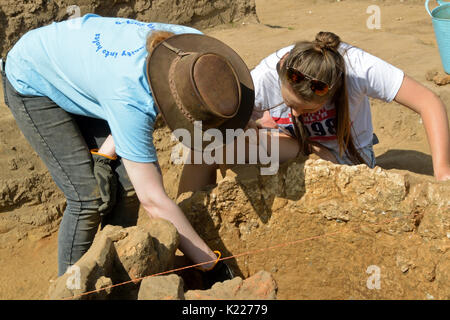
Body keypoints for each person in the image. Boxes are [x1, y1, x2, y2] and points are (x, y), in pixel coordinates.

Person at [1, 14, 255, 288]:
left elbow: (120, 106)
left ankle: (118, 275)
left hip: (90, 71)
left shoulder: (195, 52)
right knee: (87, 197)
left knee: (127, 187)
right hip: (33, 79)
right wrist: (210, 265)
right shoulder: (131, 99)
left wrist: (109, 149)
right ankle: (73, 289)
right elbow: (154, 201)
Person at [177, 31, 450, 195]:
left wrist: (443, 173)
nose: (295, 113)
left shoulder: (357, 68)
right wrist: (252, 124)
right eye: (288, 103)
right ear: (283, 69)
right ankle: (190, 231)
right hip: (288, 145)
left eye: (305, 109)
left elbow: (429, 102)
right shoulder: (267, 74)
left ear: (330, 93)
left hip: (342, 159)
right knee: (205, 149)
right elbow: (216, 127)